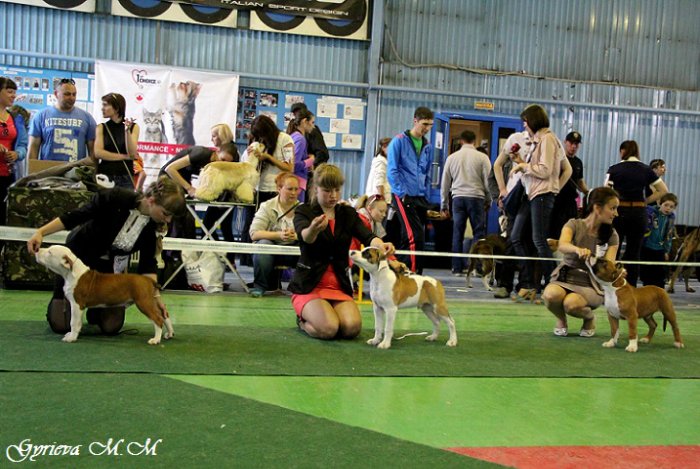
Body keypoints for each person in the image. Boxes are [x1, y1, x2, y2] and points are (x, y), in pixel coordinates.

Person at [26, 177, 185, 336]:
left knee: (111, 327)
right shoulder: (114, 197)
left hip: (105, 269)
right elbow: (74, 217)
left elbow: (147, 264)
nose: (168, 220)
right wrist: (41, 232)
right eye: (166, 213)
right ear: (151, 200)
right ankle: (66, 302)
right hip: (78, 259)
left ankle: (94, 312)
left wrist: (155, 298)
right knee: (60, 325)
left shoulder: (152, 226)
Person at [288, 164, 394, 340]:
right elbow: (305, 237)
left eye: (337, 190)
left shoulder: (347, 213)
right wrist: (314, 228)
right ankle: (302, 321)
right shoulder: (304, 211)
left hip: (338, 285)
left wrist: (381, 245)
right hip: (310, 285)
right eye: (327, 191)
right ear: (315, 188)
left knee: (351, 328)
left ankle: (324, 314)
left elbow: (367, 236)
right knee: (328, 329)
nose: (334, 195)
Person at [510, 104, 572, 302]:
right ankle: (529, 283)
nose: (524, 126)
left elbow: (545, 170)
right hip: (533, 195)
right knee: (517, 237)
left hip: (542, 195)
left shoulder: (547, 140)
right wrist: (521, 161)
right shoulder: (540, 141)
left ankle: (555, 283)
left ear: (532, 121)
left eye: (525, 122)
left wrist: (523, 166)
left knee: (539, 241)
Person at [542, 186, 620, 338]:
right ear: (597, 208)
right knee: (550, 295)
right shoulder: (573, 224)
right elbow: (562, 245)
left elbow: (609, 266)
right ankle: (561, 319)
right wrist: (577, 249)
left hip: (591, 282)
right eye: (613, 208)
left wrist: (614, 271)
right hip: (566, 276)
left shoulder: (612, 235)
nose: (616, 213)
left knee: (571, 304)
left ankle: (589, 318)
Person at [605, 140, 668, 287]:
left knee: (614, 249)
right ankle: (631, 287)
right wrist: (645, 201)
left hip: (619, 213)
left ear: (622, 151)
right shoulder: (646, 170)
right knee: (634, 253)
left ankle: (612, 285)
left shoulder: (614, 169)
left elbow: (607, 192)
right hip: (639, 214)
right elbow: (663, 190)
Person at [387, 106, 434, 274]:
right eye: (424, 124)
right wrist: (402, 193)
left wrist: (426, 194)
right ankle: (412, 275)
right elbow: (392, 171)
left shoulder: (427, 145)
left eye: (430, 125)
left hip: (420, 196)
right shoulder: (398, 141)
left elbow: (427, 172)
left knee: (409, 237)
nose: (427, 128)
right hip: (403, 196)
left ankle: (401, 272)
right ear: (415, 121)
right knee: (415, 236)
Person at [440, 129, 491, 275]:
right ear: (474, 141)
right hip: (476, 197)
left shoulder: (452, 158)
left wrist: (444, 204)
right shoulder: (482, 158)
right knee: (478, 233)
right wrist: (489, 200)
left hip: (458, 198)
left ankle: (456, 267)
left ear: (461, 141)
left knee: (458, 233)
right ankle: (476, 268)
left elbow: (445, 183)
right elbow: (488, 181)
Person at [249, 172, 301, 298]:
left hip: (294, 252)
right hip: (271, 253)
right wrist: (278, 235)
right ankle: (260, 287)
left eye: (296, 189)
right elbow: (254, 234)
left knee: (310, 246)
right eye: (289, 189)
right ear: (279, 188)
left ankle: (301, 286)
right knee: (263, 243)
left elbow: (311, 233)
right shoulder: (266, 206)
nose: (294, 193)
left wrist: (296, 236)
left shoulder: (303, 209)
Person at [27, 78, 96, 162]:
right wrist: (31, 168)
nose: (71, 98)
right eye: (67, 94)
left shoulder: (87, 118)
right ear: (56, 94)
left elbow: (93, 151)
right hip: (48, 168)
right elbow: (33, 147)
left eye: (74, 94)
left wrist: (94, 169)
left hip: (76, 168)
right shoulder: (41, 116)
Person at [245, 115, 294, 204]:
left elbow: (289, 167)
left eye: (262, 135)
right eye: (259, 136)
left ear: (268, 130)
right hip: (258, 189)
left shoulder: (285, 139)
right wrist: (250, 155)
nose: (261, 138)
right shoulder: (257, 140)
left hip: (275, 190)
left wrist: (268, 157)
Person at [94, 93, 140, 189]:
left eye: (105, 105)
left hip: (125, 176)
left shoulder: (133, 127)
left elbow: (132, 153)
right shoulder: (101, 127)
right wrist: (124, 156)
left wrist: (127, 131)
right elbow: (98, 153)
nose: (102, 108)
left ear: (117, 108)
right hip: (105, 176)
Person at [550, 131, 590, 239]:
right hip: (556, 201)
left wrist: (589, 192)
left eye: (576, 144)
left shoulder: (578, 162)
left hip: (570, 203)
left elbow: (580, 182)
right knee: (554, 233)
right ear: (565, 142)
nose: (573, 146)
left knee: (570, 232)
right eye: (571, 143)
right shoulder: (557, 159)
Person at [0, 77, 28, 225]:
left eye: (14, 92)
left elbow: (23, 145)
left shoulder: (16, 118)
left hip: (8, 176)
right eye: (9, 91)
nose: (13, 96)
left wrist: (17, 154)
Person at [640, 193, 678, 288]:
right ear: (660, 203)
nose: (668, 208)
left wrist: (666, 251)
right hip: (647, 247)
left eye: (671, 207)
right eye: (666, 205)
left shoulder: (670, 218)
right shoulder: (651, 212)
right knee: (647, 275)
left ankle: (659, 292)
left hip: (660, 249)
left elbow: (669, 235)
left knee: (660, 275)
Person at [286, 108, 315, 201]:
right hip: (297, 183)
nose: (313, 126)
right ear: (304, 121)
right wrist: (309, 161)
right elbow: (293, 165)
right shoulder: (300, 139)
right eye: (312, 122)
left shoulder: (293, 136)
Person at [291, 102, 329, 168]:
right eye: (295, 114)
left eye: (300, 113)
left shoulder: (312, 130)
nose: (298, 116)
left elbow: (322, 153)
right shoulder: (293, 132)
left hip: (309, 169)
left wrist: (312, 164)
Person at [365, 137, 392, 203]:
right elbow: (379, 183)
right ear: (383, 147)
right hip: (379, 200)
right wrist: (382, 200)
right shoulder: (380, 161)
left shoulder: (386, 161)